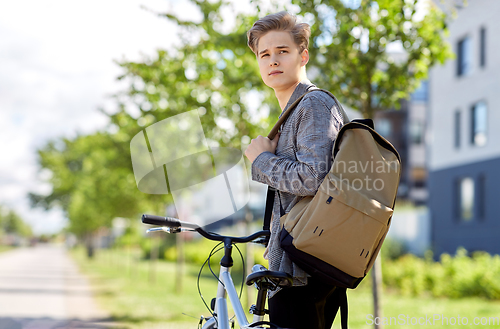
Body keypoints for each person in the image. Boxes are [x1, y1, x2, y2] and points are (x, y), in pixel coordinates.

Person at [244, 11, 348, 329]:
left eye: (282, 51)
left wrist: (261, 160)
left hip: (304, 269)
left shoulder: (313, 105)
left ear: (303, 56)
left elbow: (313, 177)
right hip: (299, 263)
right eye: (265, 54)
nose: (273, 60)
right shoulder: (293, 111)